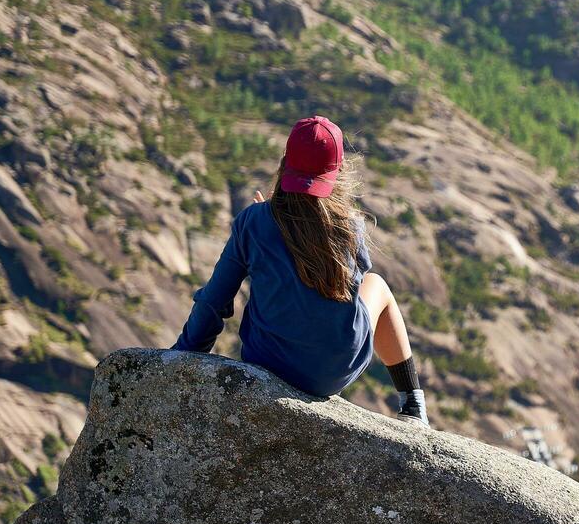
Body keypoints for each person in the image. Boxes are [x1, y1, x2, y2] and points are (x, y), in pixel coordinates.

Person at [171, 115, 428, 425]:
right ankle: (413, 405)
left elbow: (214, 300)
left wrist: (184, 355)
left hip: (270, 363)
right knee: (376, 285)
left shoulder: (253, 222)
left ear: (285, 163)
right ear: (337, 174)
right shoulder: (350, 226)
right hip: (334, 370)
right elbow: (348, 288)